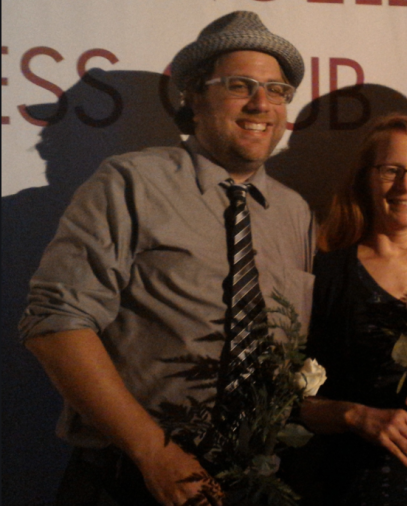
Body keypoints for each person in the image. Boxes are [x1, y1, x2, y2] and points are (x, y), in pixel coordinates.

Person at [18, 11, 315, 506]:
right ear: (195, 96)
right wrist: (153, 453)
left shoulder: (295, 211)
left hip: (250, 485)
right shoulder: (130, 183)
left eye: (277, 90)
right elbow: (55, 324)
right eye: (240, 85)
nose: (262, 104)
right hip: (130, 479)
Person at [288, 115, 407, 505]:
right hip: (354, 489)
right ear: (365, 177)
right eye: (391, 170)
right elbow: (288, 402)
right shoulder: (326, 273)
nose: (406, 185)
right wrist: (355, 416)